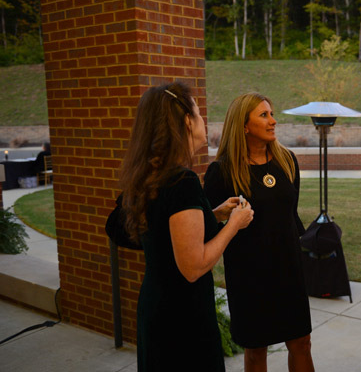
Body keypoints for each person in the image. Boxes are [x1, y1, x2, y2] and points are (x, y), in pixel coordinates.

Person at [119, 82, 254, 372]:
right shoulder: (183, 182)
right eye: (199, 112)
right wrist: (234, 224)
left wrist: (214, 214)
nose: (203, 119)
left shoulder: (153, 174)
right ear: (186, 121)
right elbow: (193, 267)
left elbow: (168, 230)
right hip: (181, 318)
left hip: (158, 307)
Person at [204, 92, 314, 372]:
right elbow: (209, 226)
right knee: (255, 351)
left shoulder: (287, 161)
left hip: (289, 270)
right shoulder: (222, 172)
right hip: (249, 277)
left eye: (272, 113)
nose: (273, 121)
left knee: (302, 343)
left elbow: (290, 216)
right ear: (243, 125)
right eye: (264, 115)